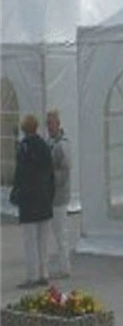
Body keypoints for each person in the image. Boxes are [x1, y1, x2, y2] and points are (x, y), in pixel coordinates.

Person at [11, 114, 55, 288]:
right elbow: (50, 174)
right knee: (43, 240)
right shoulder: (44, 146)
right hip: (44, 199)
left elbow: (20, 174)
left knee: (30, 240)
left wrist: (16, 192)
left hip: (29, 201)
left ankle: (32, 275)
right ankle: (44, 273)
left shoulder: (24, 147)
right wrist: (50, 195)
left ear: (23, 129)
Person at [46, 108, 72, 278]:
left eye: (51, 123)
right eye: (47, 123)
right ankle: (62, 265)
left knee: (61, 232)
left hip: (59, 195)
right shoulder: (51, 143)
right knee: (56, 232)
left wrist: (49, 177)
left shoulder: (62, 145)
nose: (48, 127)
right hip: (51, 195)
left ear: (58, 124)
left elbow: (65, 170)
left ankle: (65, 267)